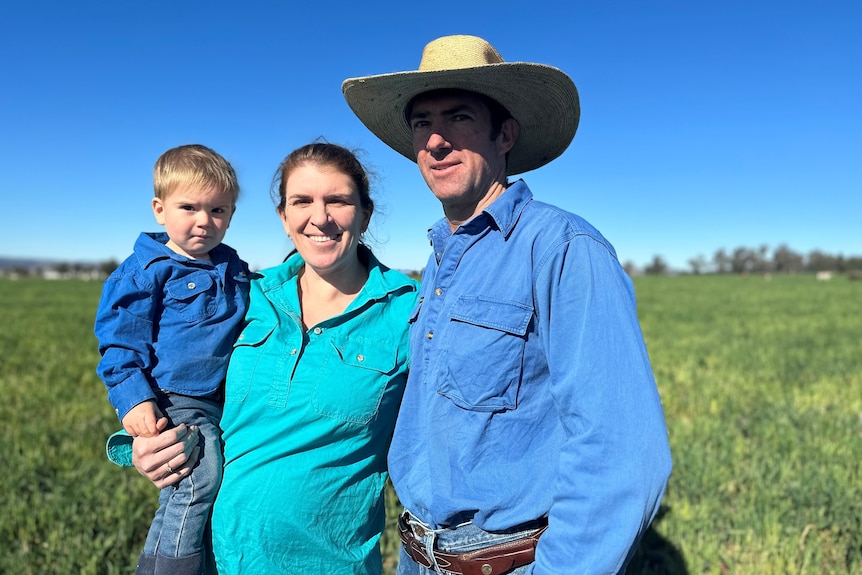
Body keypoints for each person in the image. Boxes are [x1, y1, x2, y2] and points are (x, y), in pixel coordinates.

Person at [341, 35, 673, 574]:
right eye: (422, 124)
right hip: (416, 556)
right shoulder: (439, 263)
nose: (436, 140)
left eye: (459, 117)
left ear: (506, 134)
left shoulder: (563, 249)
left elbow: (623, 456)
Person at [107, 142, 419, 574]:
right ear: (284, 218)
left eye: (338, 200)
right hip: (215, 557)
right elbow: (176, 370)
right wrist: (145, 443)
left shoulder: (409, 312)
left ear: (365, 213)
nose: (320, 216)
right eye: (302, 201)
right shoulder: (244, 294)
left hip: (328, 562)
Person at [95, 144, 251, 575]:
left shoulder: (232, 265)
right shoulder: (145, 270)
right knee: (197, 478)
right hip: (173, 397)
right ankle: (168, 569)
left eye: (218, 210)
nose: (204, 221)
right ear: (160, 209)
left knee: (212, 486)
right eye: (189, 207)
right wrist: (133, 401)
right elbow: (119, 344)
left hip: (221, 400)